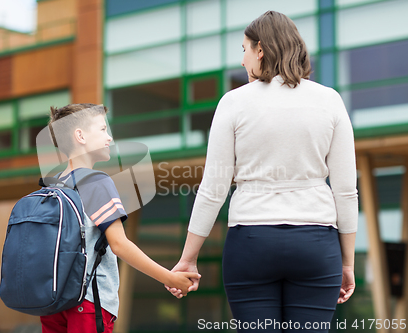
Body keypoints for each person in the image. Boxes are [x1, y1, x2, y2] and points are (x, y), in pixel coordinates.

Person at [166, 11, 358, 333]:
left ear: (261, 51)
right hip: (315, 243)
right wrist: (347, 262)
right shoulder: (330, 100)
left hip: (251, 242)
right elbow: (345, 190)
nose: (242, 61)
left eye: (243, 49)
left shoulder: (233, 103)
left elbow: (213, 189)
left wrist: (188, 258)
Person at [41, 103, 199, 333]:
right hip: (87, 301)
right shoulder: (96, 182)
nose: (110, 138)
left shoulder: (53, 185)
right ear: (80, 135)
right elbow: (119, 245)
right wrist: (170, 278)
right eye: (103, 129)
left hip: (53, 301)